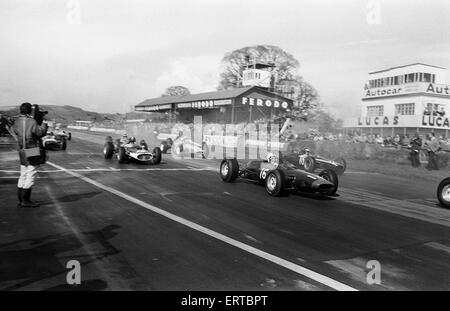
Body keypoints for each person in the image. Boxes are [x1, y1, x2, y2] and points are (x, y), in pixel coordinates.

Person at [12, 102, 48, 207]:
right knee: (31, 174)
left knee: (23, 174)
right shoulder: (32, 121)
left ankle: (20, 199)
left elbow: (15, 131)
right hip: (31, 149)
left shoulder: (17, 121)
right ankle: (25, 200)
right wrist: (44, 125)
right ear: (29, 111)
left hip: (21, 149)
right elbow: (39, 133)